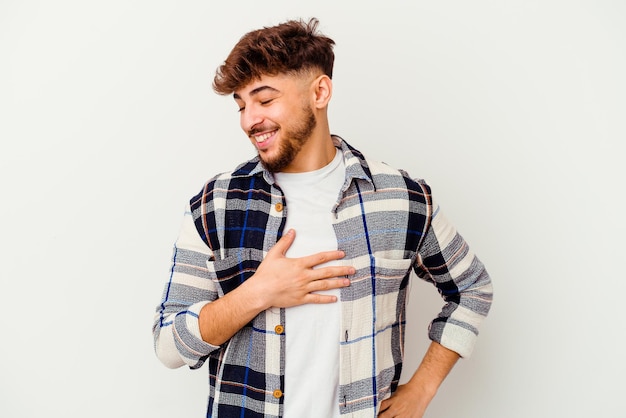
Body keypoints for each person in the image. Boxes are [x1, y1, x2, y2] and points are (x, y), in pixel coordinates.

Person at [153, 18, 492, 418]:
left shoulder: (401, 198)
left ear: (320, 91)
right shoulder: (216, 204)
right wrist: (257, 293)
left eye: (264, 100)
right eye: (241, 105)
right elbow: (169, 345)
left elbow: (472, 288)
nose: (248, 120)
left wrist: (422, 388)